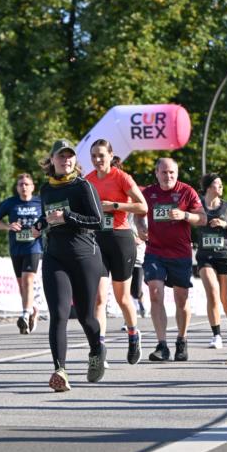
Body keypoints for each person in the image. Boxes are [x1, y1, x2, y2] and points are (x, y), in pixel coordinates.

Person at [31, 139, 105, 392]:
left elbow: (98, 221)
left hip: (85, 256)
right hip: (55, 256)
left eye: (70, 156)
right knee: (59, 314)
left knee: (86, 317)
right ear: (52, 160)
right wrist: (39, 225)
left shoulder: (83, 186)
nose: (66, 160)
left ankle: (97, 350)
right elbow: (48, 215)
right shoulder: (46, 189)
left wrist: (68, 216)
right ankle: (60, 370)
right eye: (61, 157)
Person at [136, 157, 206, 362]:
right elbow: (139, 213)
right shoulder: (148, 193)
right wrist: (140, 227)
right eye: (164, 172)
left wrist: (184, 215)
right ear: (156, 173)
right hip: (155, 251)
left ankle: (181, 340)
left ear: (177, 174)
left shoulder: (187, 191)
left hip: (180, 252)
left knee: (181, 298)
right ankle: (162, 345)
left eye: (172, 173)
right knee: (155, 293)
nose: (168, 176)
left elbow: (202, 218)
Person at [85, 139, 147, 365]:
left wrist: (115, 206)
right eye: (93, 156)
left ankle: (133, 335)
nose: (97, 160)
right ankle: (99, 349)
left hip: (121, 239)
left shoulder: (121, 177)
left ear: (111, 155)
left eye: (101, 155)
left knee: (122, 297)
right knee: (99, 298)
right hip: (97, 240)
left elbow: (143, 207)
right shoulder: (88, 180)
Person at [0, 174, 43, 334]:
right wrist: (7, 226)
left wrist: (41, 228)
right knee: (21, 285)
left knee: (28, 279)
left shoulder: (40, 202)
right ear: (17, 187)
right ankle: (32, 309)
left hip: (34, 247)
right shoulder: (10, 203)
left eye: (27, 184)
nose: (23, 187)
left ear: (33, 186)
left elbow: (52, 218)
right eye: (20, 184)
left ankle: (25, 315)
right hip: (16, 248)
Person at [196, 173, 227, 349]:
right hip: (205, 256)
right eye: (218, 185)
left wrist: (225, 225)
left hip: (226, 255)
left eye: (222, 185)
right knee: (213, 293)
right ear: (208, 187)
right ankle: (216, 335)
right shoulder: (198, 205)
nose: (221, 188)